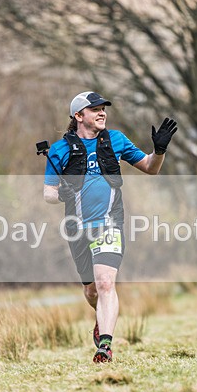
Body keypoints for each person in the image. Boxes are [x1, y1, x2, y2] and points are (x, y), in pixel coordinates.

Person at [43, 91, 177, 363]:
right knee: (92, 291)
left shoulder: (116, 140)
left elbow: (151, 168)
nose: (102, 112)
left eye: (103, 108)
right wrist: (63, 195)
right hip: (77, 228)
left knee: (106, 283)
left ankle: (105, 345)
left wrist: (159, 151)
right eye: (95, 109)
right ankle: (100, 316)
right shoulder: (59, 150)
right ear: (78, 116)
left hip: (110, 224)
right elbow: (48, 193)